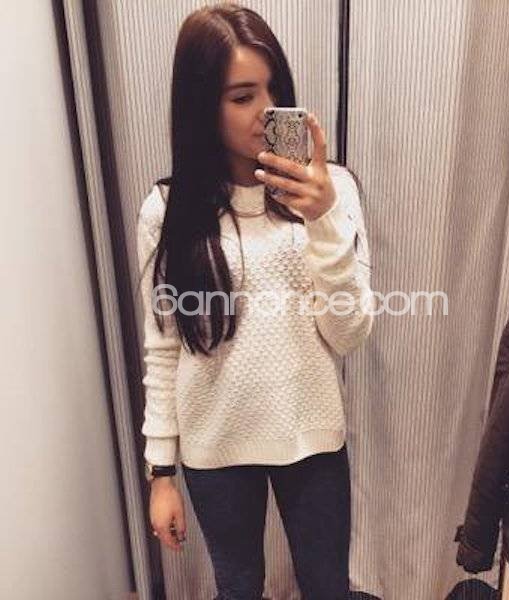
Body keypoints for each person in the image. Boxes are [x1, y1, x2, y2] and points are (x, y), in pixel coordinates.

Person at [136, 3, 375, 598]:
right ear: (201, 106)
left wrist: (323, 220)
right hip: (215, 442)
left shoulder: (333, 191)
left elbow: (349, 334)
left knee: (327, 587)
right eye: (243, 96)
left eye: (274, 91)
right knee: (238, 587)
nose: (265, 111)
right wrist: (160, 471)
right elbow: (164, 346)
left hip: (311, 434)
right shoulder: (167, 211)